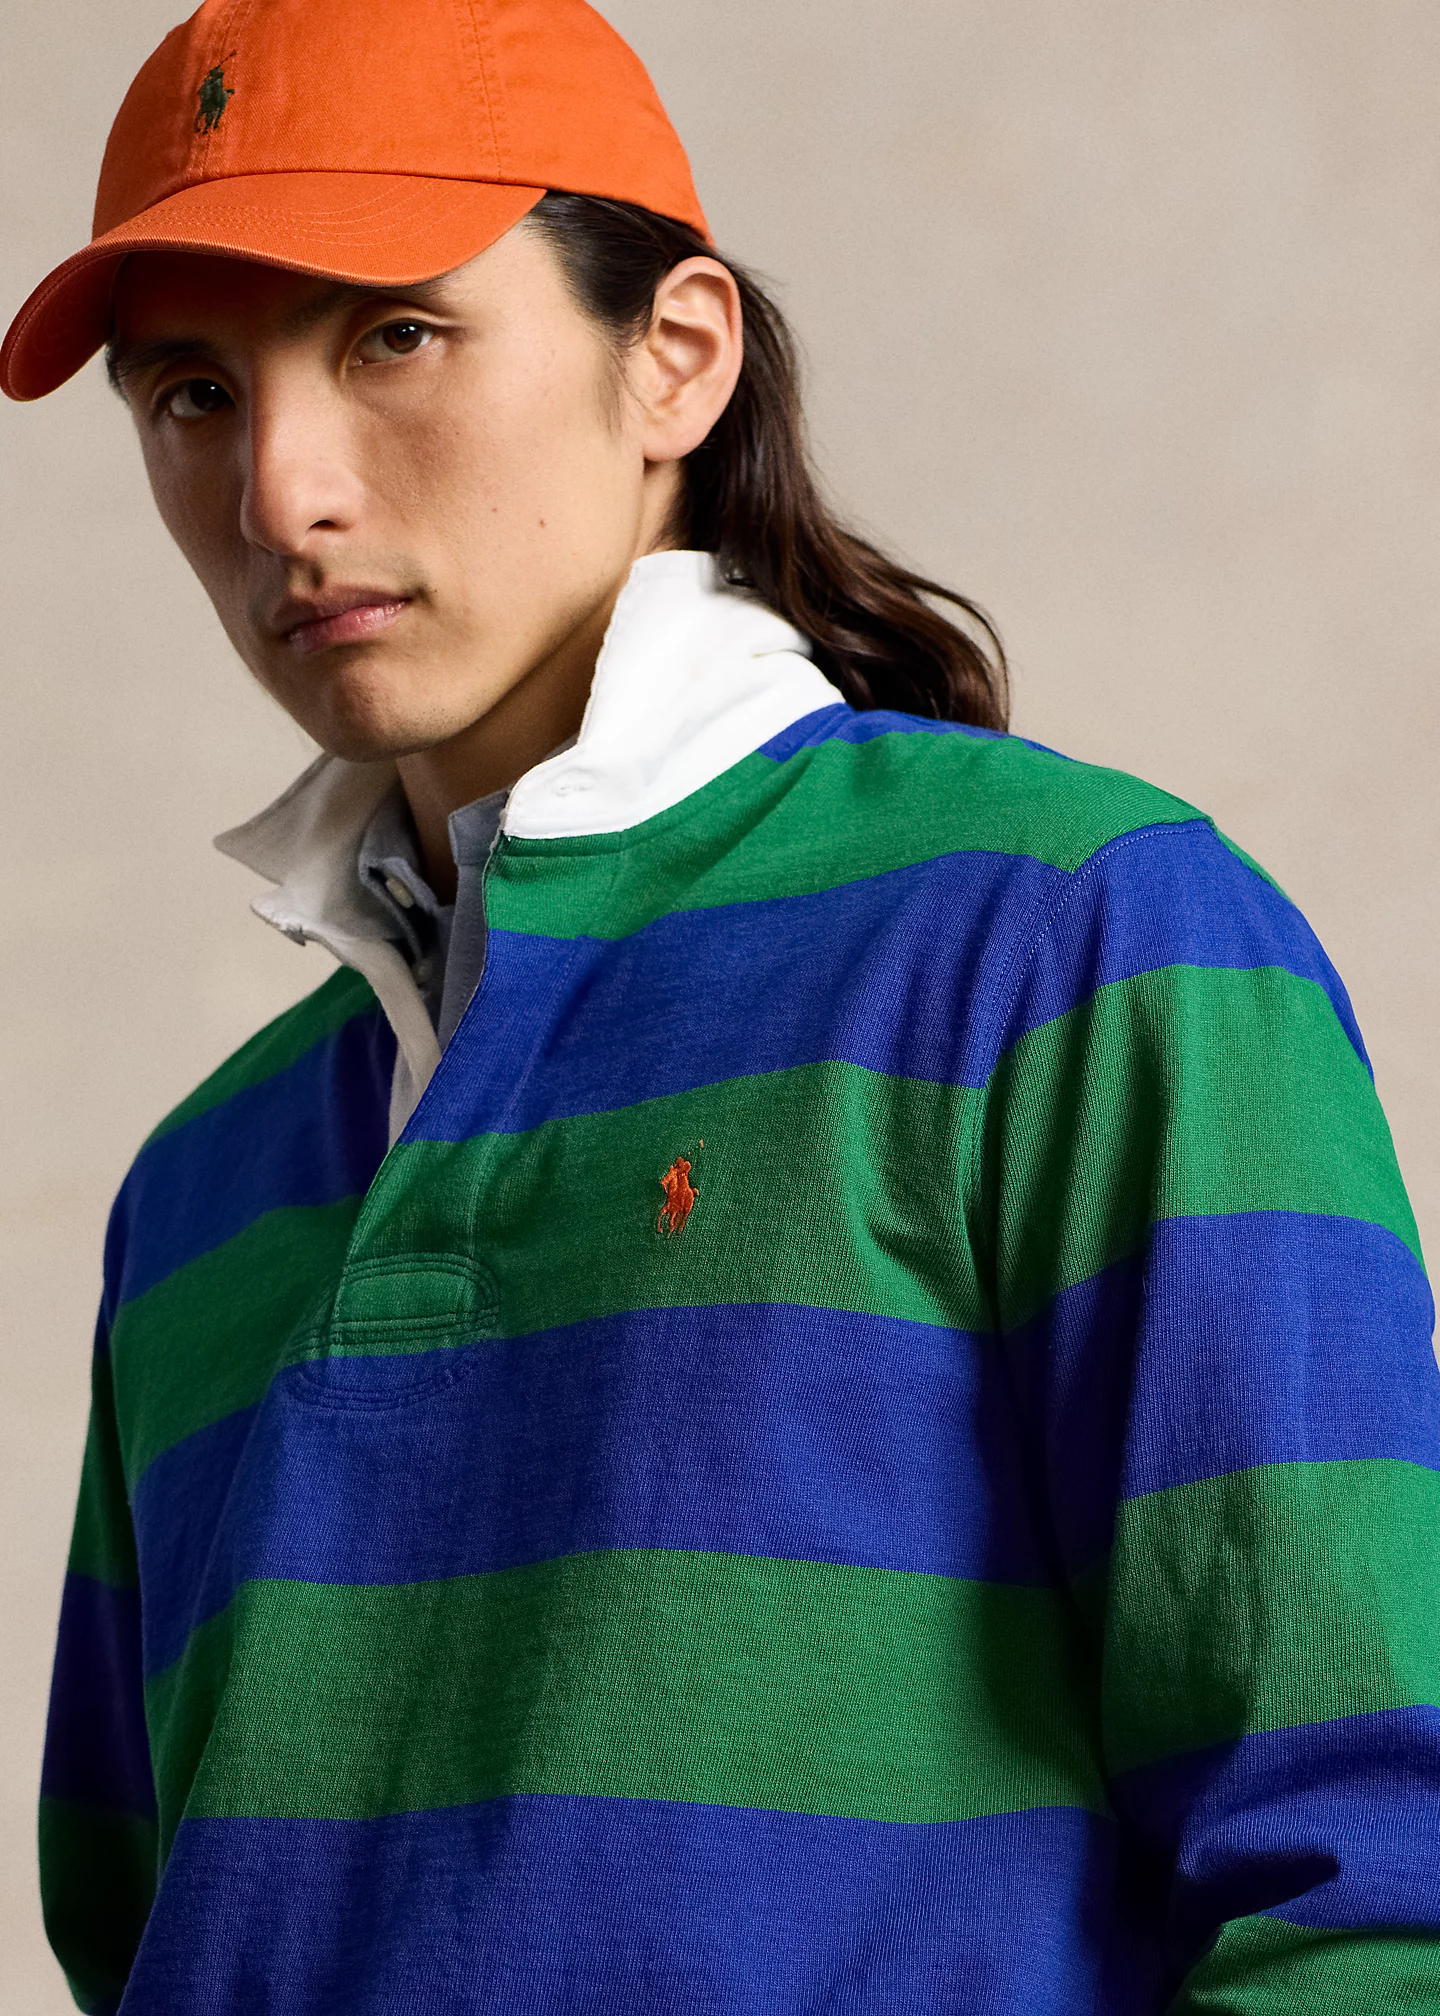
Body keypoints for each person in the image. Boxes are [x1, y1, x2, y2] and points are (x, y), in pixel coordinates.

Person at [6, 0, 1439, 2008]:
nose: (280, 489)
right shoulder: (202, 1188)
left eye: (393, 336)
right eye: (189, 393)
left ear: (674, 357)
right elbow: (131, 1929)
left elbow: (1374, 1880)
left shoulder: (1067, 942)